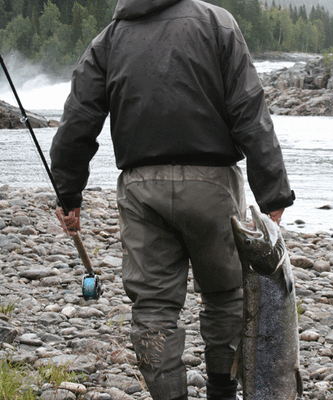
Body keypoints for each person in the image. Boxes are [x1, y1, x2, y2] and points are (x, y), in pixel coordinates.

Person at [51, 0, 295, 399]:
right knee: (224, 293)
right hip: (213, 184)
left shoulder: (108, 39)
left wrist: (68, 194)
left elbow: (78, 120)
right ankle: (221, 389)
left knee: (152, 306)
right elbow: (249, 108)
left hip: (140, 187)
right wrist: (272, 190)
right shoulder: (217, 23)